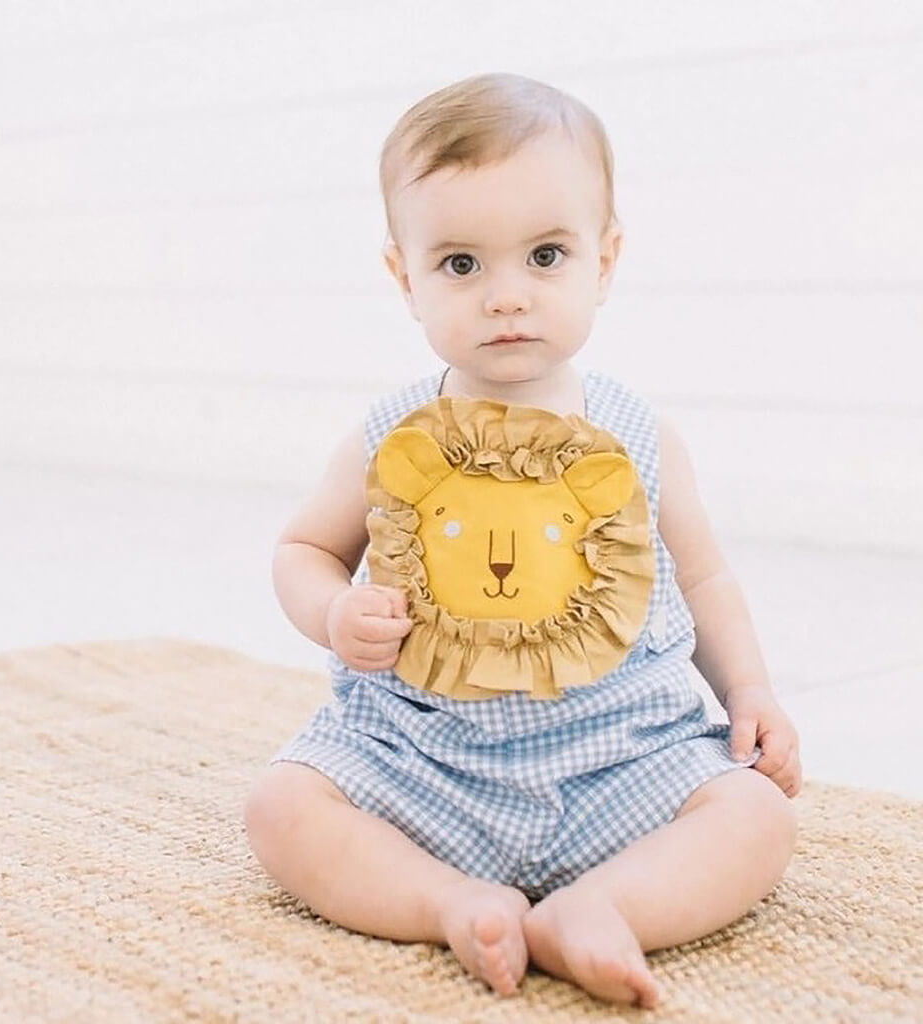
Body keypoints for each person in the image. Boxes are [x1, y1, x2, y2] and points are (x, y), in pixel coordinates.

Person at [244, 72, 802, 1010]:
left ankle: (601, 905)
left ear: (605, 259)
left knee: (755, 819)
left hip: (622, 760)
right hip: (425, 765)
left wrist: (751, 694)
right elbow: (303, 549)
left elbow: (702, 578)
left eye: (545, 255)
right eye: (462, 264)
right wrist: (333, 610)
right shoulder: (390, 434)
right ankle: (449, 900)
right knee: (280, 810)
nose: (507, 297)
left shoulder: (638, 434)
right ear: (404, 277)